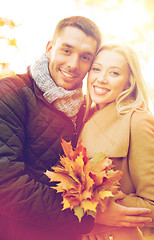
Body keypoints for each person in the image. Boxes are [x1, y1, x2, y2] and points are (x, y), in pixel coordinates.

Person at [0, 16, 102, 240]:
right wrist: (88, 217)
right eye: (67, 50)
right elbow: (6, 185)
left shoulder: (89, 109)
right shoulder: (10, 94)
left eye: (85, 57)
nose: (73, 64)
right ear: (49, 48)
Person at [79, 44, 154, 240]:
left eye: (114, 73)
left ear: (128, 82)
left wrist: (95, 209)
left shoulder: (137, 121)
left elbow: (152, 205)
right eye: (96, 69)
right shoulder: (80, 114)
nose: (101, 78)